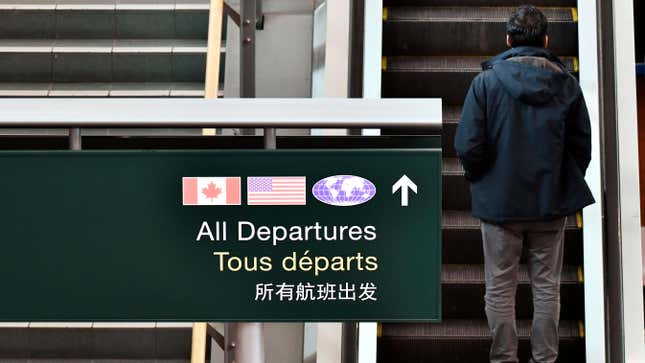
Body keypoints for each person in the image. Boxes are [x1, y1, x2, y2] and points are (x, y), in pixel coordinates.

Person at [454, 5, 595, 363]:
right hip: (550, 203)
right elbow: (582, 146)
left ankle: (504, 358)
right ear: (546, 41)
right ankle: (544, 358)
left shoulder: (484, 83)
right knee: (547, 287)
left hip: (500, 204)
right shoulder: (567, 84)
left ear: (508, 40)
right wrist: (560, 182)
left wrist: (482, 179)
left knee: (500, 287)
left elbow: (468, 144)